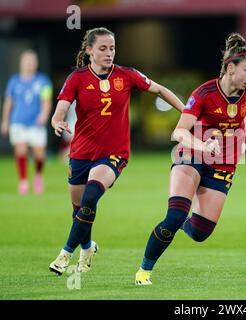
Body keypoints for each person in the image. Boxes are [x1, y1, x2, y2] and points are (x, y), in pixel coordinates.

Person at [48, 27, 184, 275]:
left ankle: (65, 254)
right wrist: (57, 122)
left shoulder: (127, 75)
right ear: (89, 50)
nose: (109, 53)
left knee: (90, 197)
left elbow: (160, 90)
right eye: (102, 48)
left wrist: (188, 113)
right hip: (80, 154)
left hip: (114, 154)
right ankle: (87, 247)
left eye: (112, 48)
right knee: (79, 211)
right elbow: (60, 111)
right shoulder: (77, 79)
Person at [135, 32, 246, 285]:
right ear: (230, 68)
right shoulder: (204, 93)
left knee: (201, 232)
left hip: (223, 163)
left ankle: (184, 221)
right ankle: (144, 270)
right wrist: (203, 146)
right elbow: (179, 131)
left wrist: (244, 141)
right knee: (173, 216)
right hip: (191, 154)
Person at [1, 49, 52, 194]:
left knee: (39, 155)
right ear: (21, 63)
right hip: (18, 121)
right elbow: (9, 102)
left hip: (36, 123)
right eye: (27, 61)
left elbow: (46, 100)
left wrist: (44, 114)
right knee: (21, 150)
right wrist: (5, 120)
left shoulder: (43, 81)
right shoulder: (14, 81)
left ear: (36, 63)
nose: (29, 64)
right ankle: (23, 181)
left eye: (32, 61)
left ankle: (38, 176)